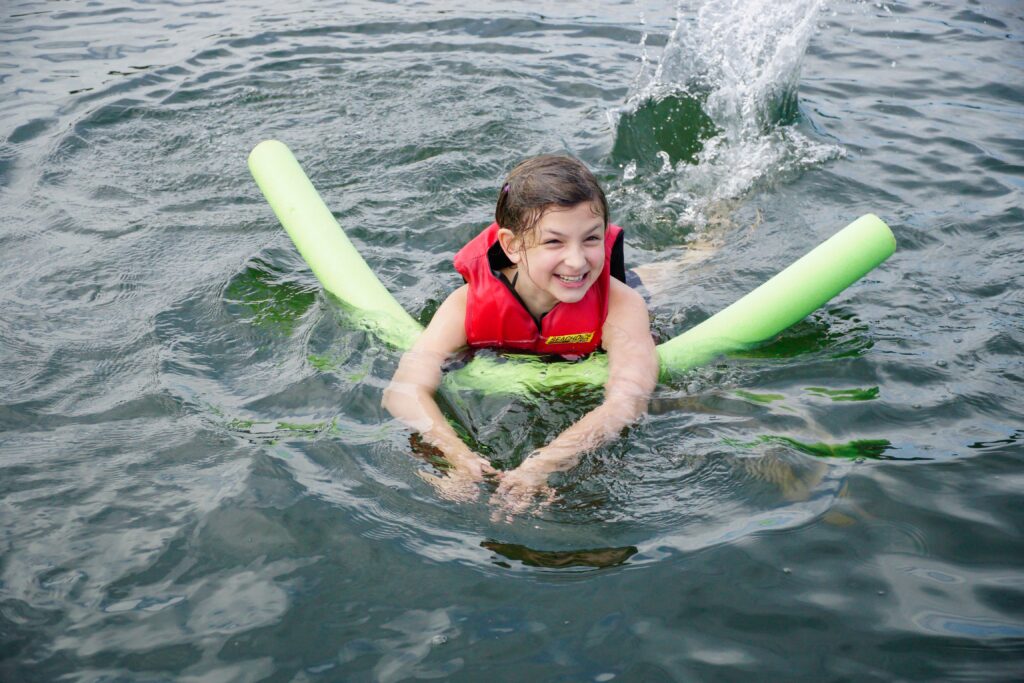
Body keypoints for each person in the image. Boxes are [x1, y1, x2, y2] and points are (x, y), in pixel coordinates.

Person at [382, 155, 658, 514]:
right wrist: (456, 455)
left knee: (674, 274)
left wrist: (546, 462)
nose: (577, 260)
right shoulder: (465, 307)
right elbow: (403, 391)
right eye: (554, 243)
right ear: (511, 246)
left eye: (591, 239)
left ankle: (704, 246)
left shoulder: (621, 306)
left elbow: (628, 401)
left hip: (615, 299)